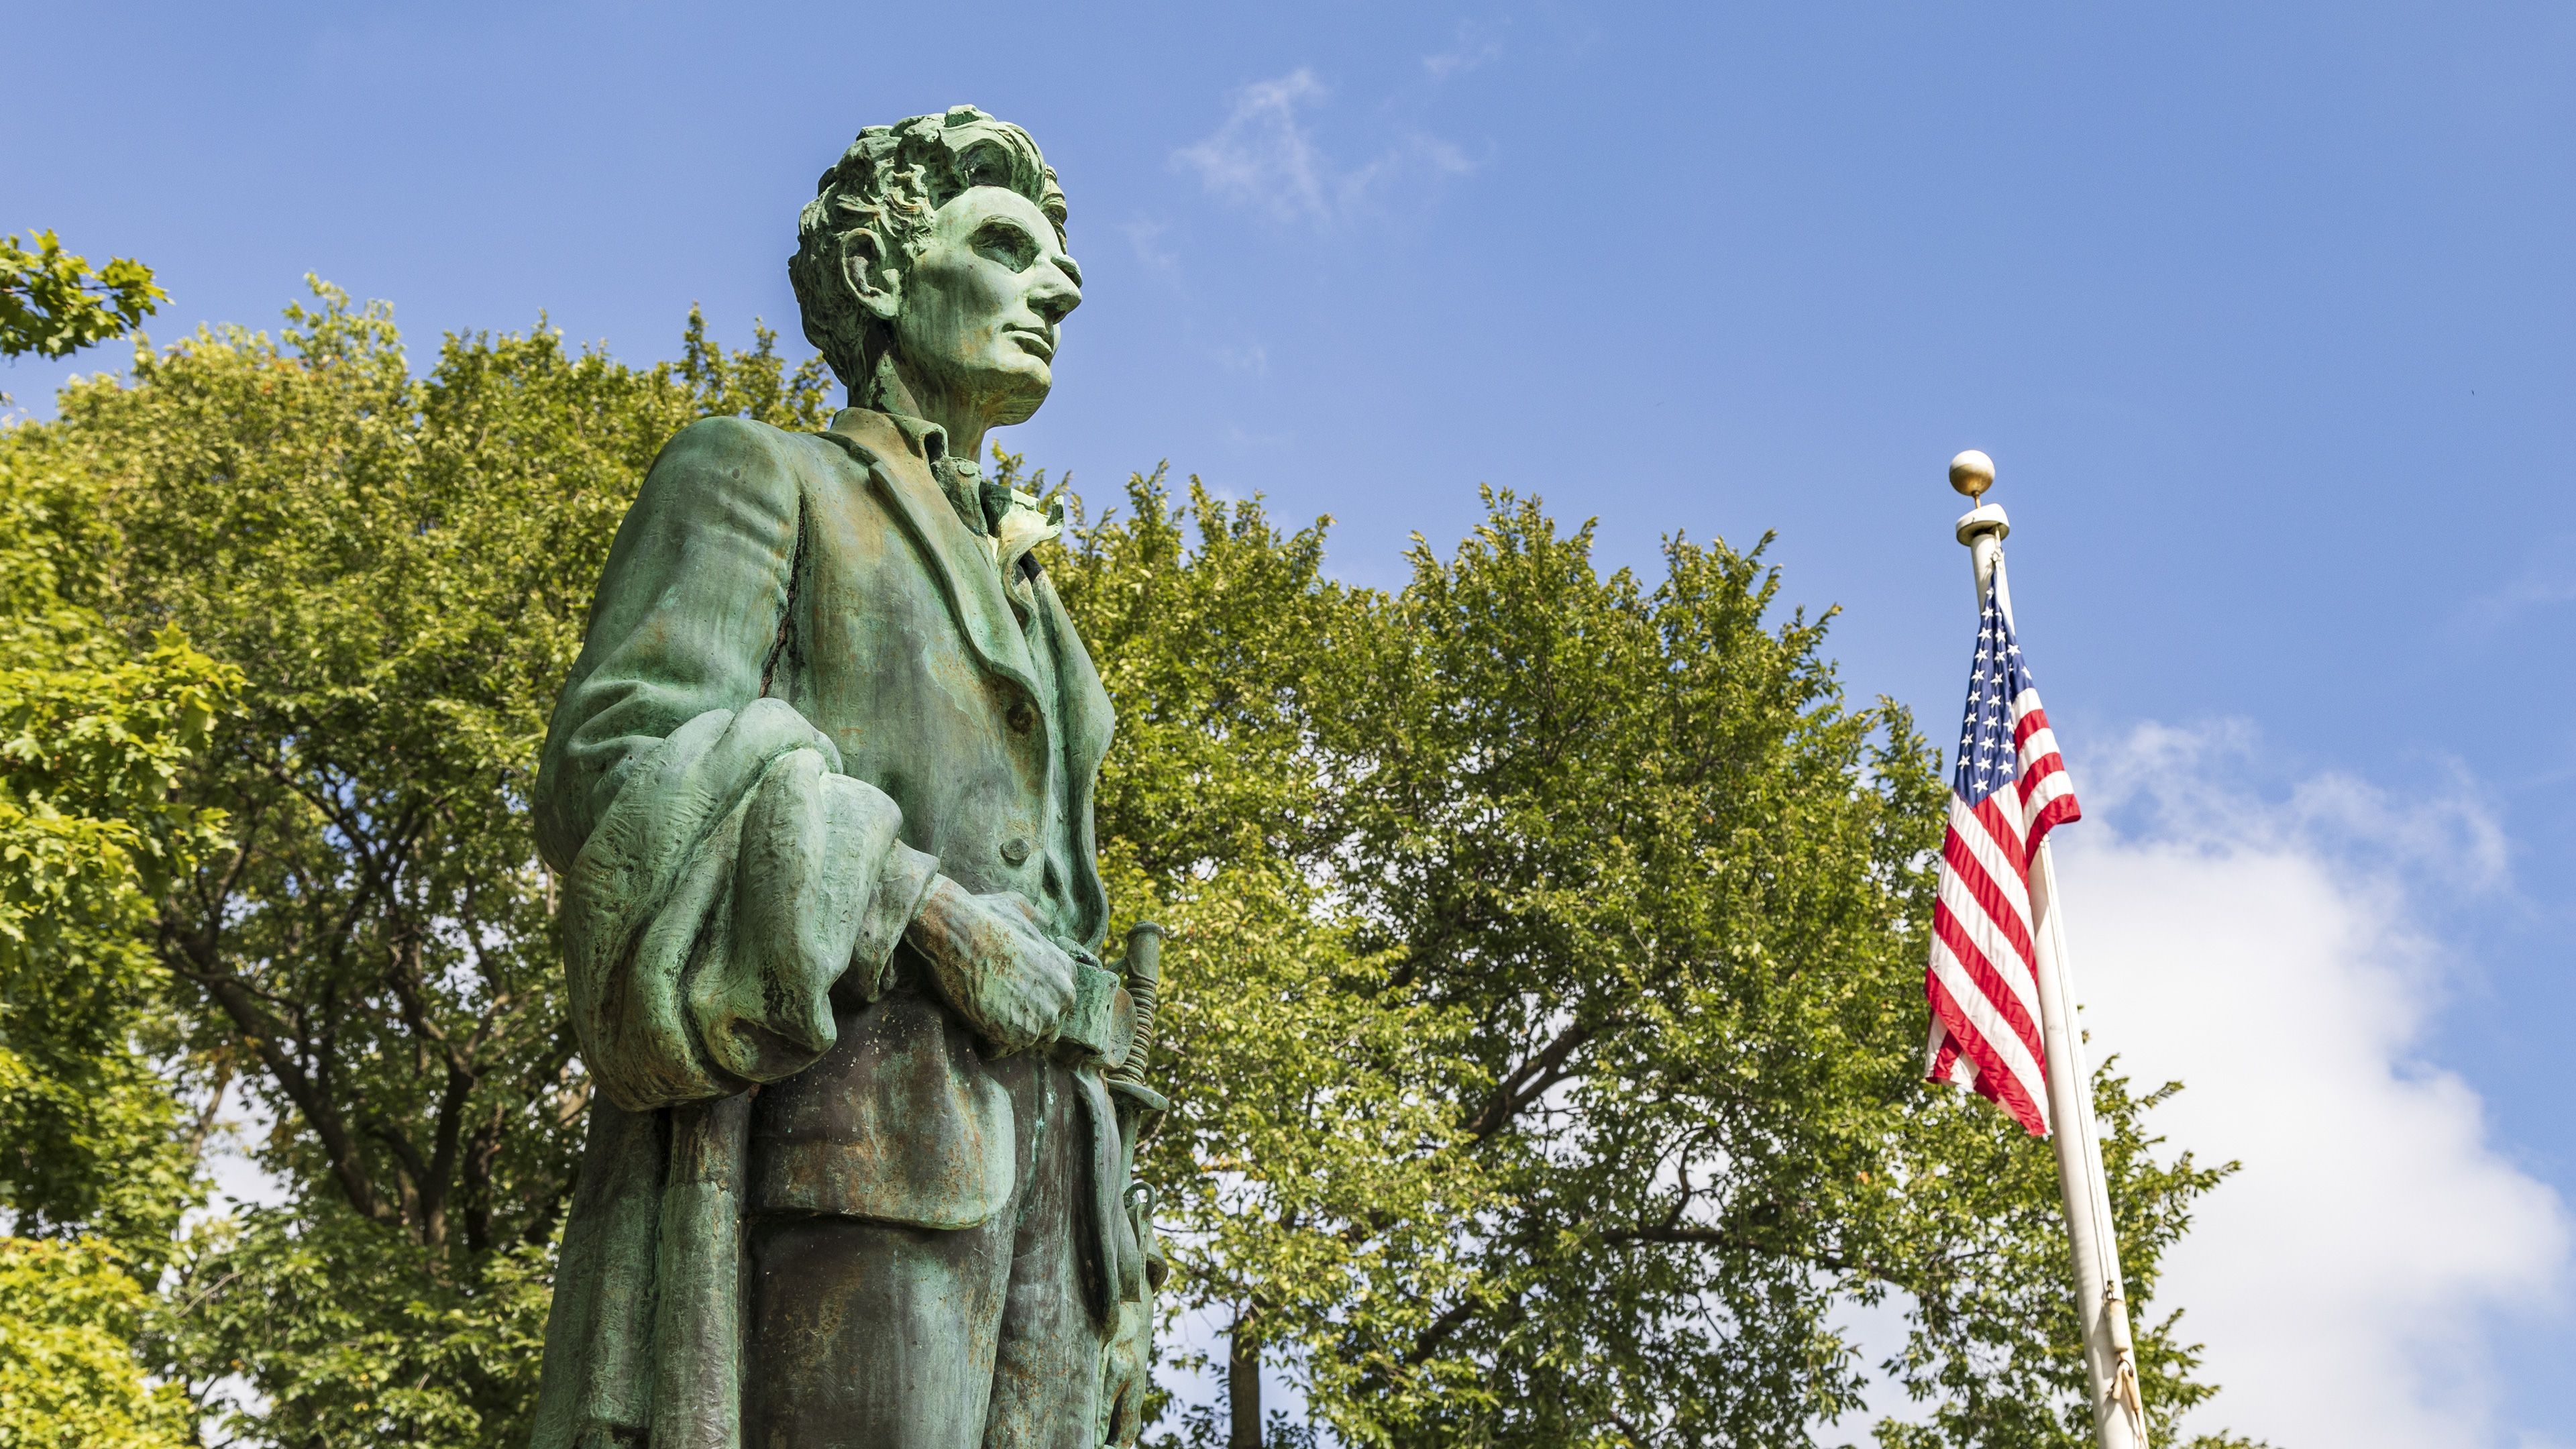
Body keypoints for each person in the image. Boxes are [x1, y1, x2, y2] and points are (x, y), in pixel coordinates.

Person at [526, 105, 1155, 1449]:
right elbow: (616, 766)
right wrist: (926, 912)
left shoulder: (1040, 598)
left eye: (1062, 264)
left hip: (1062, 1199)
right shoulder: (760, 476)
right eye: (1004, 244)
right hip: (860, 1151)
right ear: (881, 274)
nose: (1062, 286)